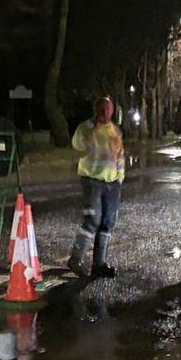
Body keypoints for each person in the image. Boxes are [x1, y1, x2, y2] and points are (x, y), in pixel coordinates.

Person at [67, 94, 125, 278]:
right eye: (101, 108)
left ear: (112, 111)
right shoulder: (86, 128)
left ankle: (99, 264)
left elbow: (120, 155)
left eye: (107, 108)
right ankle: (76, 258)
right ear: (96, 109)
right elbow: (77, 145)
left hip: (112, 183)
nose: (104, 112)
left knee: (107, 223)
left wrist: (120, 177)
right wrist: (92, 130)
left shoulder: (115, 130)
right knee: (93, 219)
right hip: (92, 181)